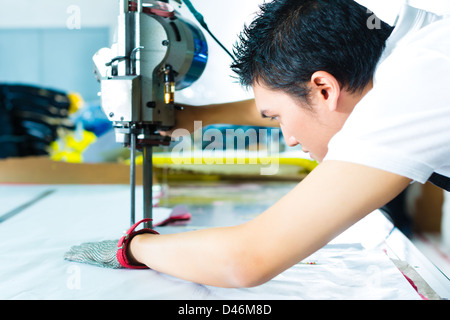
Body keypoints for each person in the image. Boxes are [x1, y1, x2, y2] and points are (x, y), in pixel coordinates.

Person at [65, 0, 450, 288]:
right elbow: (291, 100)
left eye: (278, 119)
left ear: (324, 87)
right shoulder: (416, 55)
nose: (291, 138)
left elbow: (247, 259)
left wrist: (132, 248)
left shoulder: (409, 88)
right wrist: (185, 117)